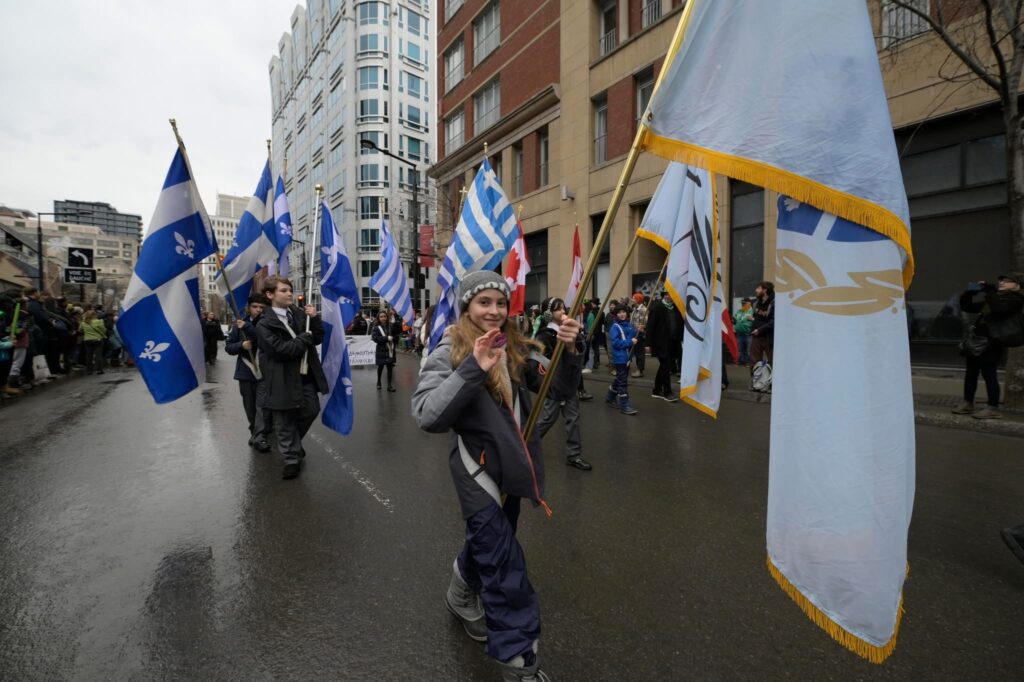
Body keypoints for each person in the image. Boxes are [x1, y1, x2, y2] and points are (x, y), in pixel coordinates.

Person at [412, 270, 580, 682]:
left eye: (500, 303)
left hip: (512, 468)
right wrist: (473, 367)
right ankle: (519, 663)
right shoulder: (449, 350)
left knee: (491, 543)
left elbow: (559, 390)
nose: (494, 311)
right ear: (467, 306)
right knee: (504, 567)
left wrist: (569, 351)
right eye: (483, 302)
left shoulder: (515, 346)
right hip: (477, 473)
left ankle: (459, 593)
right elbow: (427, 415)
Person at [254, 276, 327, 480]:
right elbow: (281, 350)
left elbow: (317, 338)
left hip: (304, 375)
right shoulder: (263, 323)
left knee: (311, 410)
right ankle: (291, 459)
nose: (289, 294)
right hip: (281, 378)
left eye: (290, 290)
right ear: (270, 295)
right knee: (285, 419)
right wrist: (304, 338)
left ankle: (291, 444)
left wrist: (315, 319)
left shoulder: (298, 314)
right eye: (284, 290)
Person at [952, 273, 1024, 420]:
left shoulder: (1015, 299)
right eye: (1001, 280)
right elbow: (967, 307)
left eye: (1008, 281)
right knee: (971, 373)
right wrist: (970, 293)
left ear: (1017, 285)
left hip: (993, 342)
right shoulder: (994, 298)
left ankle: (993, 407)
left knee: (989, 373)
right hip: (978, 341)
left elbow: (1000, 309)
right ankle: (968, 403)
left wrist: (990, 292)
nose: (1002, 282)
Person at [534, 297, 592, 471]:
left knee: (573, 419)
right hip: (554, 385)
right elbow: (544, 361)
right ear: (549, 314)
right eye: (558, 309)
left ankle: (574, 455)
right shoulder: (545, 335)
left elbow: (579, 355)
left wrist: (577, 339)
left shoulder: (568, 330)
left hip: (570, 384)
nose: (563, 311)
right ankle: (525, 443)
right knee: (547, 419)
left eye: (563, 308)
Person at [226, 293, 272, 452]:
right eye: (255, 306)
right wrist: (241, 345)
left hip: (264, 372)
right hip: (245, 372)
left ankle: (260, 436)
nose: (258, 310)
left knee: (262, 406)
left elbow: (264, 339)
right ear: (248, 307)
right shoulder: (239, 324)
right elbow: (229, 347)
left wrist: (247, 327)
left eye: (261, 307)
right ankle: (255, 432)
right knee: (250, 406)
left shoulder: (268, 323)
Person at [645, 290, 681, 402]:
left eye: (671, 295)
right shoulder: (657, 308)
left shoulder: (676, 308)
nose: (669, 297)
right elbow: (650, 326)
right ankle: (667, 392)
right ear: (664, 296)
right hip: (660, 343)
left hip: (673, 343)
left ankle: (656, 390)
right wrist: (648, 343)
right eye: (667, 295)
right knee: (666, 366)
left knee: (664, 367)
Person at [607, 303, 639, 415]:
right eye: (619, 312)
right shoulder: (614, 327)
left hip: (627, 358)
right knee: (623, 382)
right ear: (615, 315)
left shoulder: (628, 325)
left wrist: (638, 330)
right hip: (620, 358)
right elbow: (616, 343)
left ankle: (610, 397)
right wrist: (630, 342)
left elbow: (632, 336)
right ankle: (624, 405)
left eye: (624, 312)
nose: (622, 314)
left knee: (620, 378)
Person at [371, 309, 398, 391]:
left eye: (385, 316)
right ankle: (379, 381)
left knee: (390, 368)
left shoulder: (391, 326)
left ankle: (389, 385)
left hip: (390, 350)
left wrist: (394, 338)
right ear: (378, 318)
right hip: (381, 350)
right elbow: (375, 338)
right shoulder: (376, 328)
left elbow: (396, 335)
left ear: (387, 317)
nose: (383, 318)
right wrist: (386, 338)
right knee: (380, 367)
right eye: (381, 317)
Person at [79, 309, 107, 375]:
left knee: (89, 355)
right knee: (98, 355)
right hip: (97, 339)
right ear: (94, 315)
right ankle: (99, 370)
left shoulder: (83, 322)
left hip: (87, 340)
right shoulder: (98, 321)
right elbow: (104, 330)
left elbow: (80, 330)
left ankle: (89, 370)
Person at [629, 292, 648, 378]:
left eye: (633, 298)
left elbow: (646, 322)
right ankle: (638, 368)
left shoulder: (643, 309)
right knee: (636, 352)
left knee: (640, 353)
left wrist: (642, 326)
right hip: (634, 333)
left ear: (637, 300)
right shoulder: (635, 308)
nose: (632, 299)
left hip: (640, 334)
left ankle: (640, 370)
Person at [733, 298, 754, 365]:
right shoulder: (739, 311)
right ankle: (742, 362)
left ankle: (748, 363)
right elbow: (735, 320)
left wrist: (752, 319)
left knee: (748, 350)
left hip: (748, 334)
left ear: (749, 303)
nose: (742, 305)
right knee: (741, 350)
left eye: (744, 303)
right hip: (739, 334)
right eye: (742, 303)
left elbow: (758, 321)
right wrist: (733, 320)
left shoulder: (753, 311)